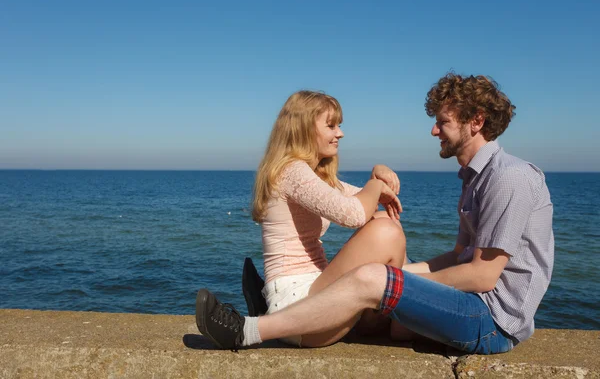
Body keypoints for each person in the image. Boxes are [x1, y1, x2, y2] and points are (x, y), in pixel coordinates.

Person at [195, 74, 554, 354]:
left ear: (476, 122)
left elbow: (483, 276)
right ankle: (283, 312)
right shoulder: (474, 180)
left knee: (380, 268)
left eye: (442, 122)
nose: (433, 130)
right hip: (471, 304)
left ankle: (248, 330)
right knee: (386, 271)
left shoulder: (509, 178)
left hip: (489, 320)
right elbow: (457, 257)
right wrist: (397, 278)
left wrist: (393, 282)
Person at [234, 90, 407, 348]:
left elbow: (361, 201)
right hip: (297, 304)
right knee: (385, 231)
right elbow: (355, 214)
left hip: (316, 293)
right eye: (331, 126)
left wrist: (377, 179)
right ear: (303, 129)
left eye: (339, 126)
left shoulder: (313, 175)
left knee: (385, 222)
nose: (340, 133)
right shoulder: (291, 170)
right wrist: (375, 185)